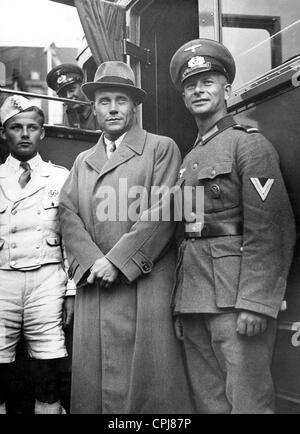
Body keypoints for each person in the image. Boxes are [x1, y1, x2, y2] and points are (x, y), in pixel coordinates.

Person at [59, 61, 195, 414]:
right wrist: (93, 263)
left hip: (144, 286)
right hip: (95, 285)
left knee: (149, 395)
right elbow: (67, 214)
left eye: (121, 100)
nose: (114, 108)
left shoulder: (161, 148)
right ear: (94, 108)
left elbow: (166, 211)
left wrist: (117, 261)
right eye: (105, 101)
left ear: (134, 106)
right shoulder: (82, 160)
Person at [169, 39, 296, 414]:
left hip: (236, 301)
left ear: (227, 89)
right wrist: (181, 306)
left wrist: (256, 303)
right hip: (194, 301)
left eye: (208, 81)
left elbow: (272, 230)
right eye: (191, 85)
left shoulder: (248, 146)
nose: (198, 90)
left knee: (248, 405)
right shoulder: (188, 159)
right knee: (209, 405)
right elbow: (184, 234)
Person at [0, 95, 76, 414]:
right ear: (4, 133)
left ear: (43, 133)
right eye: (16, 127)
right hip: (2, 282)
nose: (25, 134)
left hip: (47, 281)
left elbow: (72, 237)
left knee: (49, 371)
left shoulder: (60, 177)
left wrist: (70, 291)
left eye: (33, 127)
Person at [46, 63, 98, 130]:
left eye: (72, 89)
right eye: (63, 94)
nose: (68, 96)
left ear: (82, 86)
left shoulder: (97, 109)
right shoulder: (68, 113)